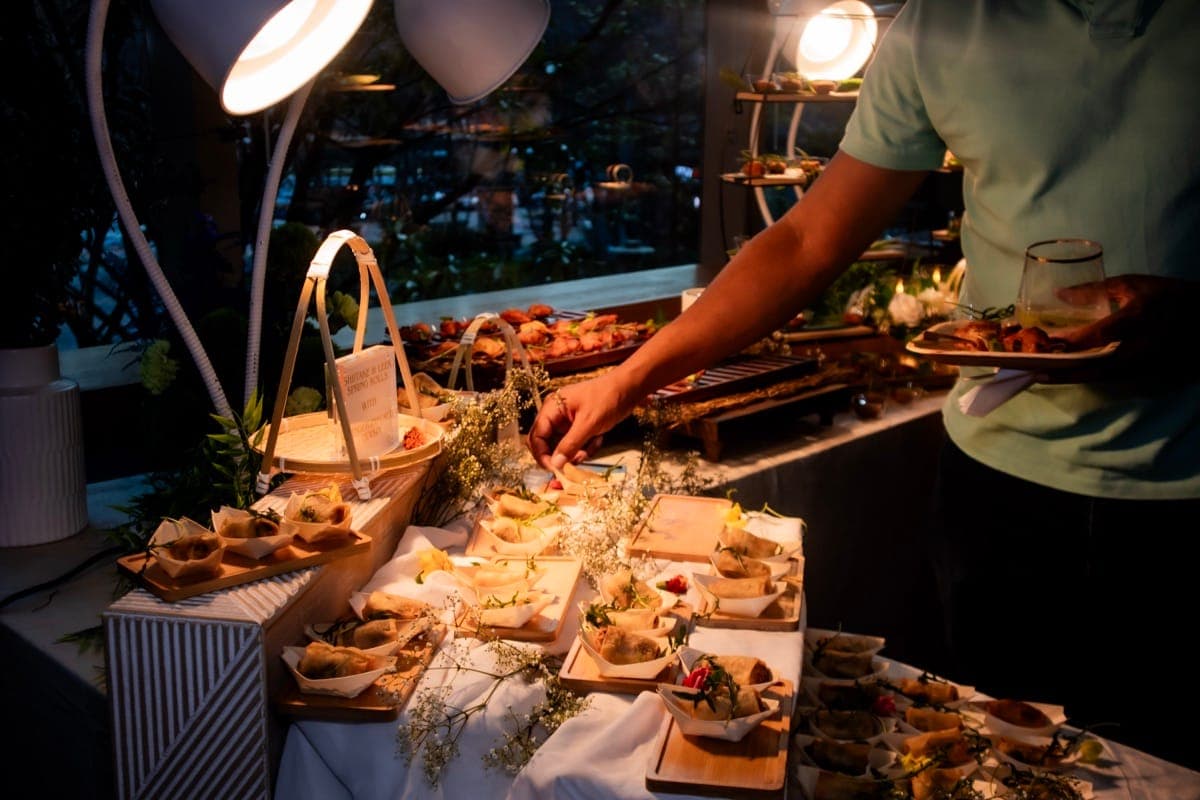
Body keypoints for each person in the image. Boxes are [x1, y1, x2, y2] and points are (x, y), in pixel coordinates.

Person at [529, 0, 1200, 770]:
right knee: (995, 770)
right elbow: (806, 240)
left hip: (1182, 506)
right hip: (1000, 498)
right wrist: (628, 379)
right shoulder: (942, 25)